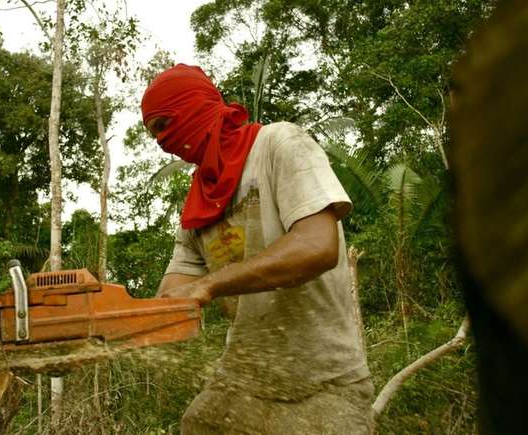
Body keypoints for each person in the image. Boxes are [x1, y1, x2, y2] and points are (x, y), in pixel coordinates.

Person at [141, 64, 373, 434]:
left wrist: (210, 284)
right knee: (198, 422)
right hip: (242, 380)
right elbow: (171, 300)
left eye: (163, 125)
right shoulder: (196, 206)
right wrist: (91, 329)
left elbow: (317, 246)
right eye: (153, 133)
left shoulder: (279, 144)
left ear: (193, 106)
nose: (160, 141)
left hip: (324, 381)